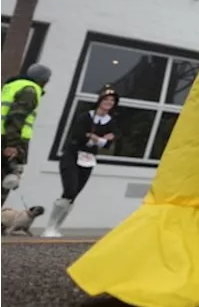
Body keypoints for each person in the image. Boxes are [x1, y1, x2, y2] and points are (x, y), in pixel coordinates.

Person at [42, 86, 118, 238]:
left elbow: (109, 143)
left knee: (74, 193)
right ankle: (49, 227)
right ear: (99, 100)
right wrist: (100, 138)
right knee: (69, 188)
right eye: (106, 99)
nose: (108, 102)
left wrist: (94, 137)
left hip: (88, 158)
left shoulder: (111, 122)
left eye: (112, 101)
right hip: (72, 155)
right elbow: (78, 135)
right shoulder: (85, 116)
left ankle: (56, 227)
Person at [0, 64, 52, 205]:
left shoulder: (11, 86)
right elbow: (17, 117)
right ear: (43, 79)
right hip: (8, 141)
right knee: (6, 182)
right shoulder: (30, 91)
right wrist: (12, 145)